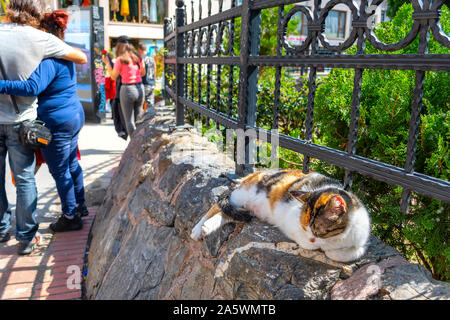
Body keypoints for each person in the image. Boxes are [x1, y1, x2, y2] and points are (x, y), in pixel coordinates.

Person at [0, 0, 87, 255]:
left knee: (60, 170)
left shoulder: (49, 60)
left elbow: (30, 88)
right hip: (71, 115)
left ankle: (71, 215)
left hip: (56, 120)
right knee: (70, 165)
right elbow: (79, 57)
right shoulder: (63, 55)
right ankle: (76, 208)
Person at [103, 40, 146, 137]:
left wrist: (108, 64)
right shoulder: (137, 57)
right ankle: (140, 142)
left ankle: (134, 145)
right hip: (140, 88)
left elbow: (113, 76)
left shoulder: (120, 60)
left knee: (129, 120)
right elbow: (143, 73)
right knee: (138, 118)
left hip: (127, 89)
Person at [137, 42, 155, 111]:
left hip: (144, 83)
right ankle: (151, 120)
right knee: (150, 105)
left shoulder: (141, 58)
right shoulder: (151, 58)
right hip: (151, 83)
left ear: (139, 49)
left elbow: (142, 71)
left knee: (140, 105)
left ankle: (142, 120)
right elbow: (155, 69)